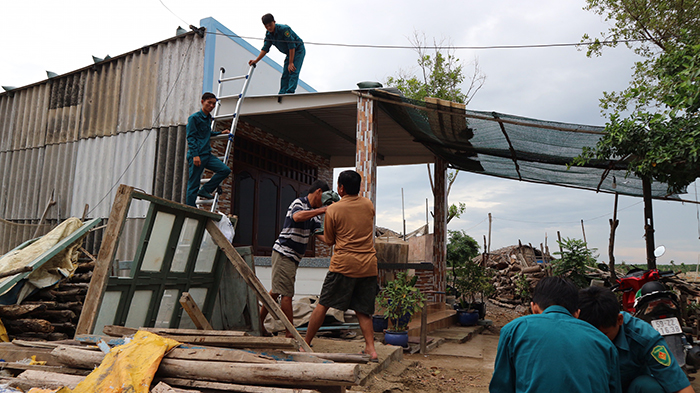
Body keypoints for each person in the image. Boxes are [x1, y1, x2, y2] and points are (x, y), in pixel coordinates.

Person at [490, 276, 621, 393]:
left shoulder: (514, 330)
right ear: (577, 313)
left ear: (533, 307)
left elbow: (501, 387)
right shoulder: (604, 342)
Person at [304, 170, 379, 362]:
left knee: (323, 304)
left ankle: (305, 343)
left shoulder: (334, 209)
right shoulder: (368, 205)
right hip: (368, 265)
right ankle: (371, 349)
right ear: (359, 187)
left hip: (343, 265)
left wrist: (317, 233)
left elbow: (329, 240)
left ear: (341, 188)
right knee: (363, 309)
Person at [578, 286, 694, 393]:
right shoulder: (570, 333)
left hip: (629, 389)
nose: (598, 342)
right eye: (591, 337)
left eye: (604, 335)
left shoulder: (645, 337)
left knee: (649, 387)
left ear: (619, 320)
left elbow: (680, 386)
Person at [260, 180, 330, 337]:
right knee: (287, 294)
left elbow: (321, 235)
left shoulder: (314, 214)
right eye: (324, 199)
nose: (323, 203)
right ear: (318, 192)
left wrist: (336, 239)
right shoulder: (299, 202)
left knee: (276, 291)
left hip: (293, 257)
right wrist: (323, 210)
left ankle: (258, 322)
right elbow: (297, 217)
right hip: (284, 252)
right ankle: (290, 333)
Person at [186, 92, 231, 207]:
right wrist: (195, 155)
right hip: (197, 155)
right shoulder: (194, 118)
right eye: (209, 103)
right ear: (202, 102)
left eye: (214, 104)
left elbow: (206, 133)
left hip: (207, 154)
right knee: (194, 184)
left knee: (225, 170)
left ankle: (205, 189)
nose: (211, 106)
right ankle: (190, 208)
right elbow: (191, 137)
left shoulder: (208, 118)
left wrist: (220, 133)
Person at [248, 13, 305, 94]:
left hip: (298, 49)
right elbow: (265, 49)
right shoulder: (269, 35)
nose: (269, 28)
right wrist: (256, 61)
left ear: (274, 22)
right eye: (266, 26)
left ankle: (290, 92)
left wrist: (291, 62)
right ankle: (282, 93)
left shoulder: (284, 29)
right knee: (285, 73)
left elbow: (291, 46)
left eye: (270, 25)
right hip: (289, 53)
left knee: (293, 70)